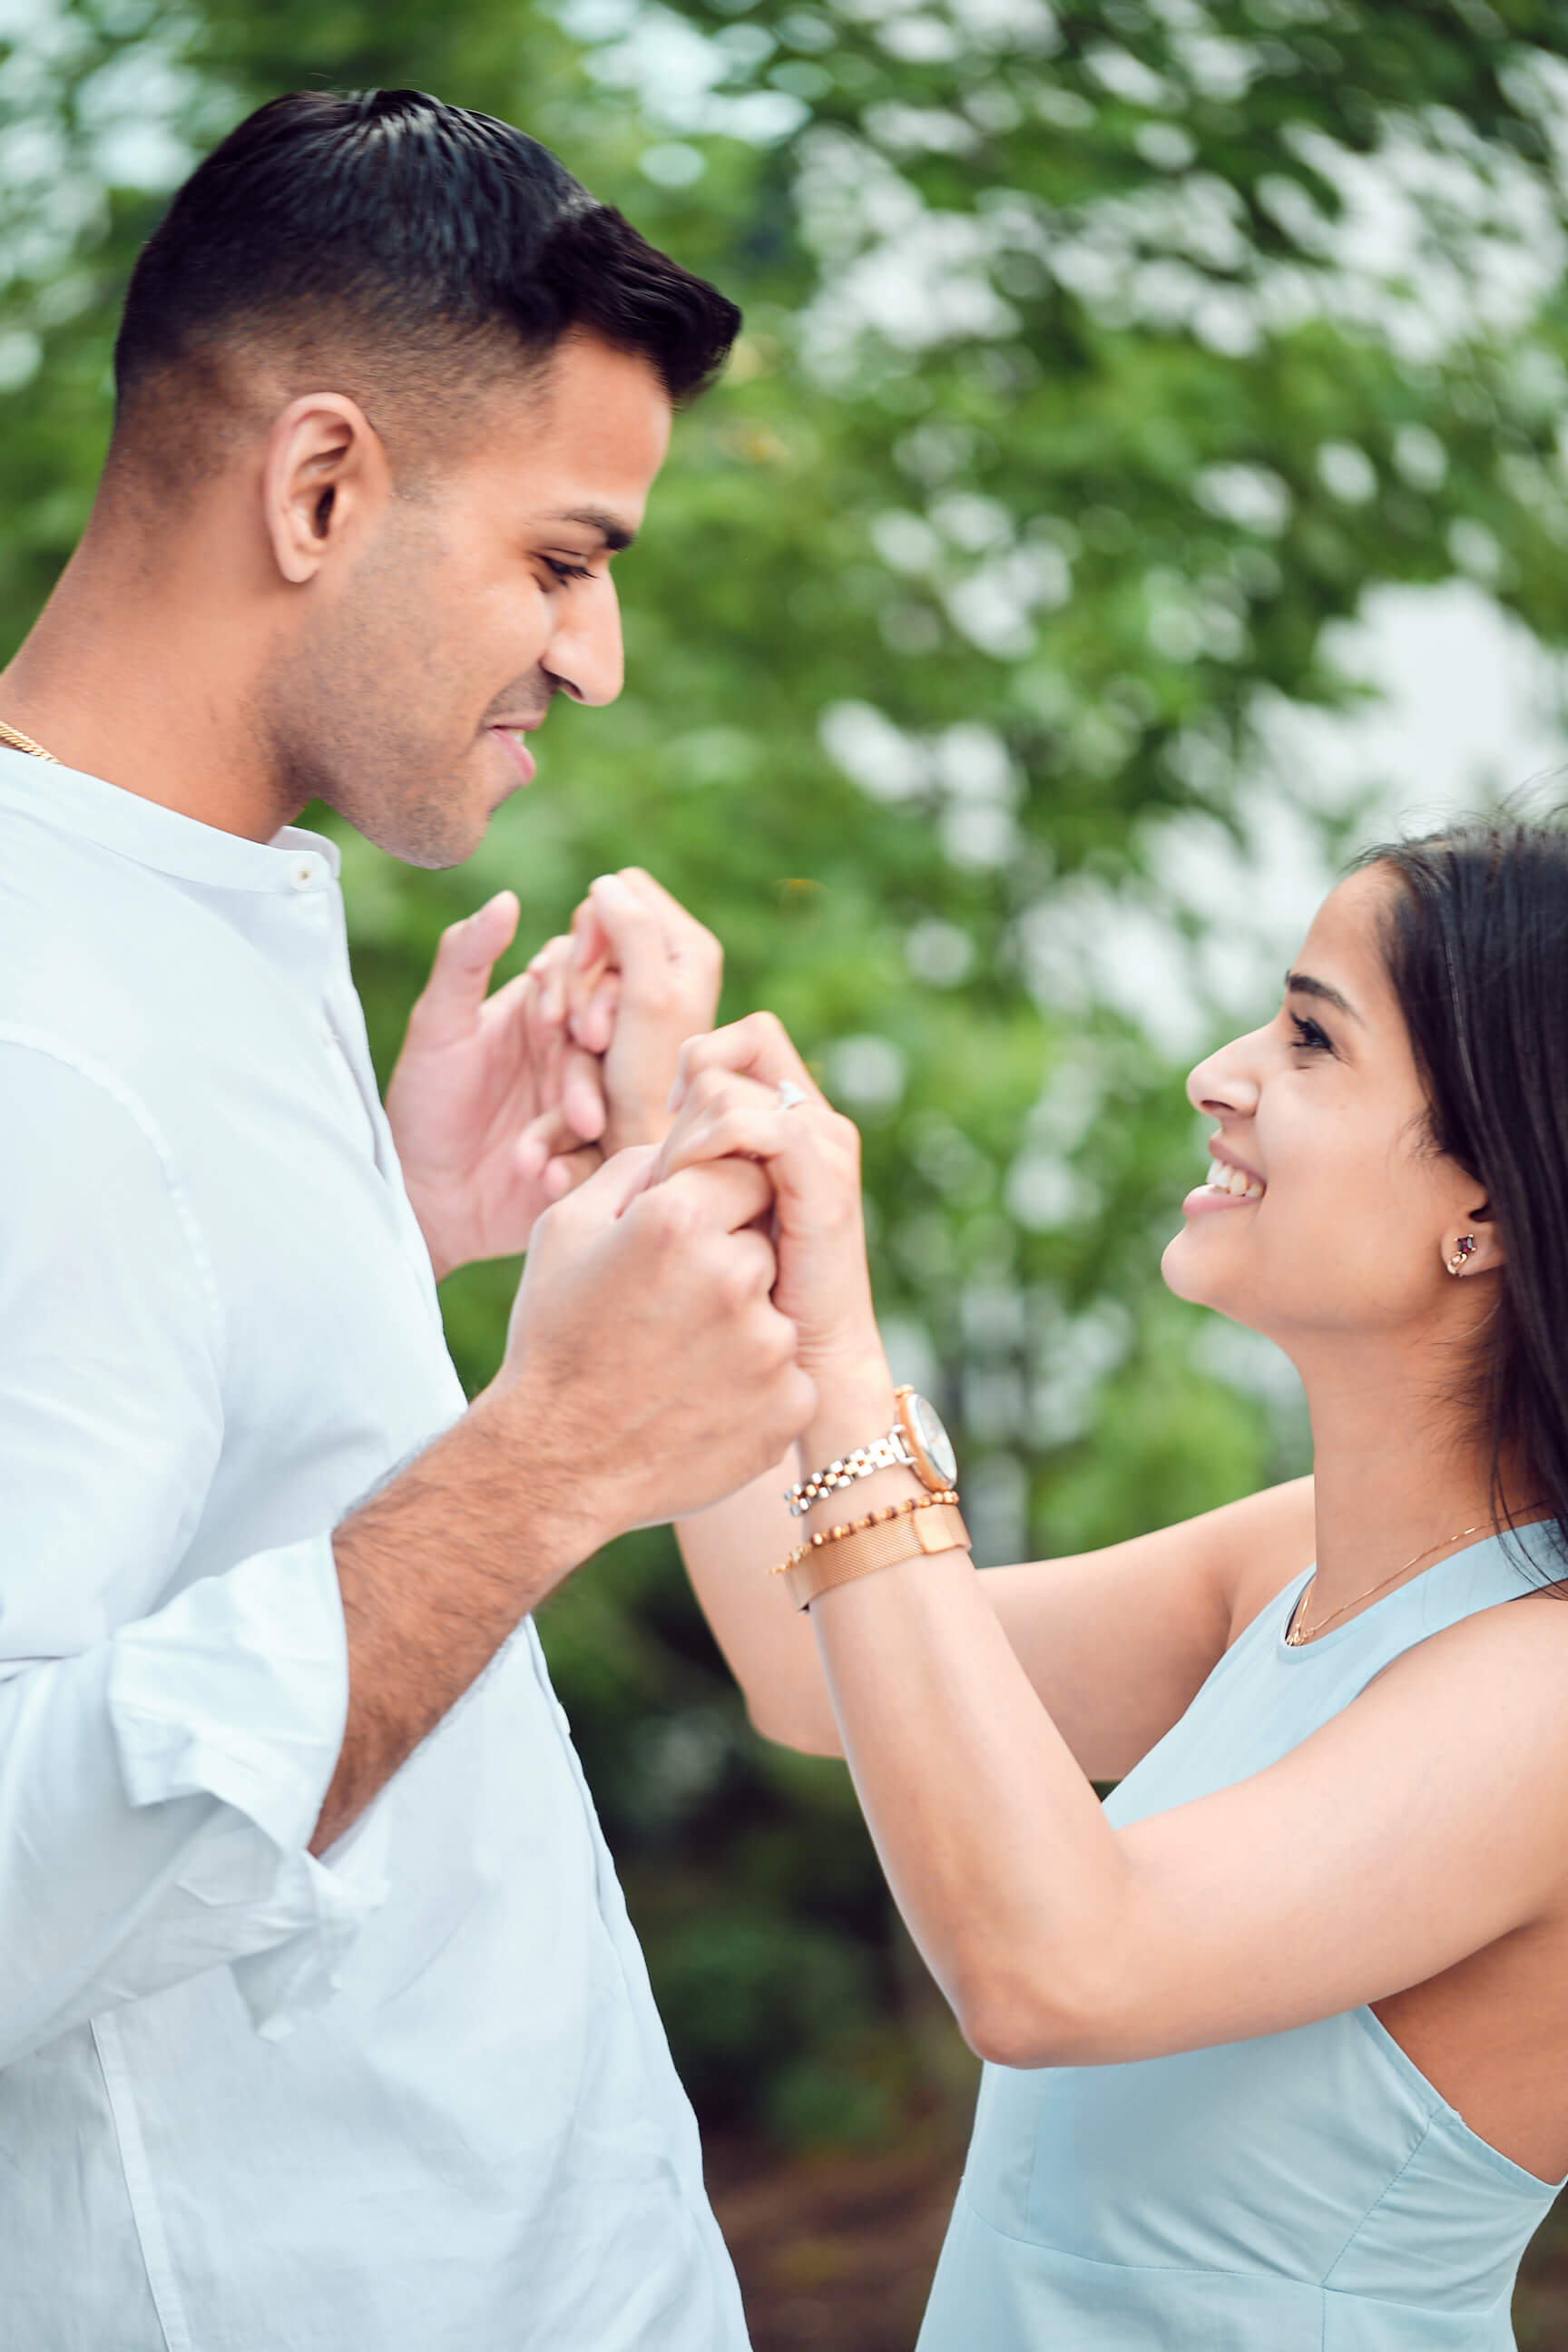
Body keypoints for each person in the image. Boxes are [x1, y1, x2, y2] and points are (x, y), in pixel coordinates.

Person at [0, 88, 814, 2350]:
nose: (596, 656)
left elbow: (165, 1450)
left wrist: (395, 1233)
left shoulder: (192, 894)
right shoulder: (28, 1035)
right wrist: (553, 1457)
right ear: (323, 485)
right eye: (565, 560)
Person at [649, 822, 1568, 2347]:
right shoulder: (1287, 1560)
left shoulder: (1540, 1687)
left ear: (1488, 1209)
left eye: (1310, 1037)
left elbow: (1056, 1967)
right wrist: (675, 1157)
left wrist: (846, 1361)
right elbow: (810, 1665)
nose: (1221, 1072)